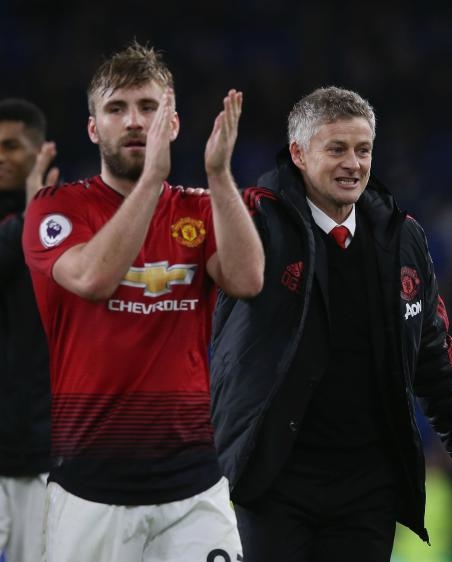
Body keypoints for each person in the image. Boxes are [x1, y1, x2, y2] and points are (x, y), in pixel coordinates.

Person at [209, 86, 452, 561]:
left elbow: (434, 355)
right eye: (337, 149)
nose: (353, 163)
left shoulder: (402, 238)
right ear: (299, 154)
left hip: (368, 486)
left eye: (363, 149)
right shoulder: (256, 224)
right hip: (273, 479)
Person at [22, 42, 263, 562]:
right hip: (91, 490)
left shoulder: (200, 209)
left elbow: (247, 280)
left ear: (172, 124)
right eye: (117, 109)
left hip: (194, 486)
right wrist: (152, 180)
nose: (134, 121)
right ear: (94, 129)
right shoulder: (56, 208)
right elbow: (93, 278)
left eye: (148, 107)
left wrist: (219, 176)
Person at [0, 98, 58, 562]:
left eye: (11, 146)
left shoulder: (65, 222)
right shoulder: (35, 222)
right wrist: (29, 220)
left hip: (36, 451)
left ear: (40, 152)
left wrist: (37, 218)